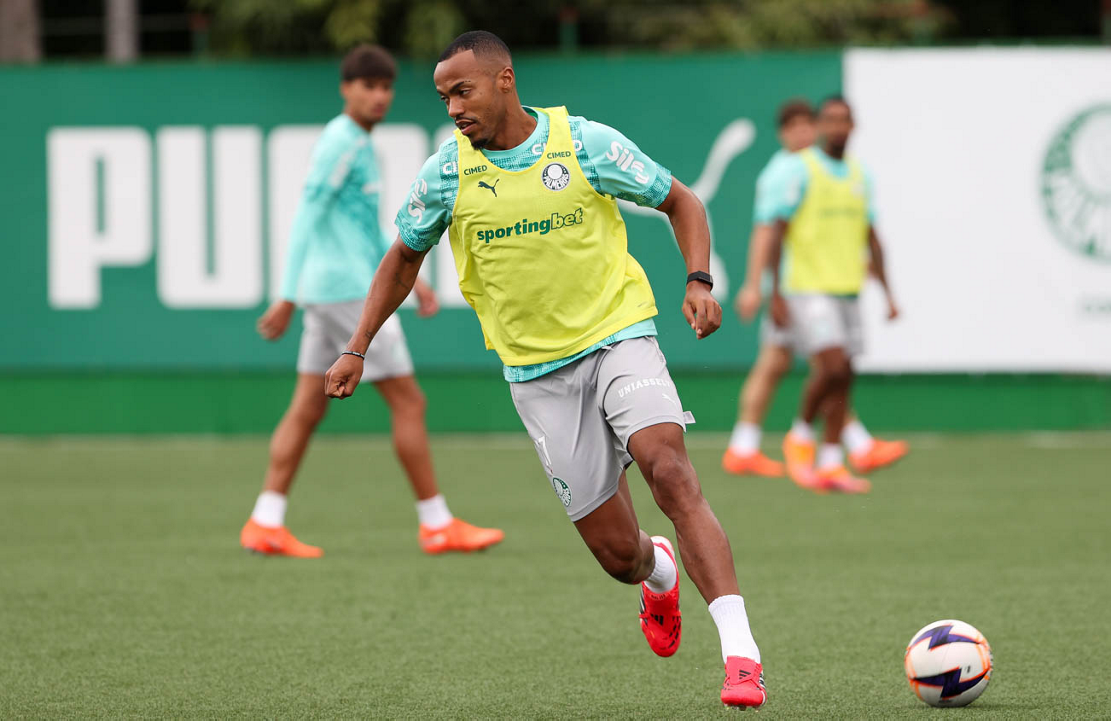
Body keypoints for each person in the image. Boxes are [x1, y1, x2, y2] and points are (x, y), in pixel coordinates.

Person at [323, 31, 767, 709]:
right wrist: (357, 345)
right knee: (619, 557)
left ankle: (742, 655)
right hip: (537, 376)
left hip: (619, 333)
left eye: (463, 91)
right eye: (444, 98)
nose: (453, 108)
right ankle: (658, 572)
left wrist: (698, 279)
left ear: (504, 80)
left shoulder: (583, 143)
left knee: (669, 469)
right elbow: (403, 259)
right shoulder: (446, 173)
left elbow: (682, 200)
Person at [242, 44, 504, 558]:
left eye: (386, 87)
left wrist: (414, 279)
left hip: (330, 290)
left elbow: (360, 226)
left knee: (307, 408)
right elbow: (308, 214)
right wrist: (286, 294)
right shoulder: (343, 142)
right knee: (408, 401)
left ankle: (265, 521)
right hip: (344, 294)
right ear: (346, 89)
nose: (379, 96)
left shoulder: (355, 142)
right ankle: (436, 523)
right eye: (369, 86)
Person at [758, 96, 909, 493]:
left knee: (845, 377)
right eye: (831, 120)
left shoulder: (861, 175)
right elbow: (776, 231)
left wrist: (888, 293)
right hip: (807, 288)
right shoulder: (801, 170)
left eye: (845, 120)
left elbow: (872, 237)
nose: (838, 127)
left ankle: (830, 463)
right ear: (821, 126)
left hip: (847, 289)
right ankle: (799, 435)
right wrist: (774, 292)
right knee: (833, 366)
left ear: (853, 126)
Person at [722, 99, 815, 477]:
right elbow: (764, 231)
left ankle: (743, 446)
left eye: (808, 124)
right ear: (782, 134)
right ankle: (850, 443)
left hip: (807, 282)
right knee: (829, 363)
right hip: (791, 286)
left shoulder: (815, 167)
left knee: (778, 360)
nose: (803, 132)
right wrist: (753, 286)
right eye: (794, 127)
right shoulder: (783, 173)